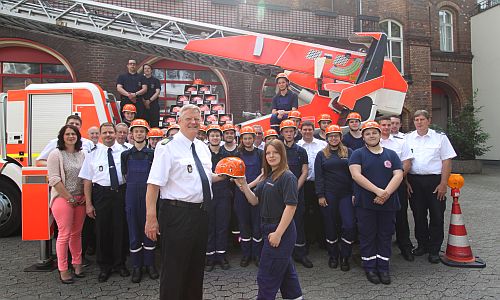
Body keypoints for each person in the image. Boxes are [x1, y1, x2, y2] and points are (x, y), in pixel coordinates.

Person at [144, 104, 226, 300]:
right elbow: (153, 185)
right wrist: (151, 219)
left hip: (201, 214)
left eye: (197, 118)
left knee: (196, 267)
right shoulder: (167, 147)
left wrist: (225, 175)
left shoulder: (202, 147)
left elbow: (205, 177)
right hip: (177, 215)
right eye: (188, 118)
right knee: (174, 269)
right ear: (178, 121)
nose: (193, 122)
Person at [235, 139, 303, 300]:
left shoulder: (288, 177)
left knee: (267, 276)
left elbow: (291, 207)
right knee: (286, 273)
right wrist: (244, 185)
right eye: (268, 153)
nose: (271, 156)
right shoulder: (267, 176)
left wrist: (278, 233)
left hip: (281, 230)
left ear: (282, 154)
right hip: (266, 227)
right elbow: (254, 201)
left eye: (275, 152)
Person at [349, 121, 403, 285]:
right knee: (367, 235)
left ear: (380, 134)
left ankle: (383, 267)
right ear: (363, 137)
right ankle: (370, 267)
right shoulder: (357, 154)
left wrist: (385, 193)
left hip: (388, 203)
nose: (371, 136)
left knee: (385, 235)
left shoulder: (391, 154)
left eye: (374, 132)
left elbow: (398, 174)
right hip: (366, 203)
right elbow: (356, 175)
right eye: (367, 133)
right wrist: (378, 191)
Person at [79, 122, 130, 283]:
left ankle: (120, 264)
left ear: (116, 134)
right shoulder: (92, 154)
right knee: (102, 231)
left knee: (120, 230)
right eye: (105, 133)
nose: (108, 135)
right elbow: (87, 180)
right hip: (101, 194)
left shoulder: (125, 152)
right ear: (100, 135)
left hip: (120, 193)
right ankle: (104, 267)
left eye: (111, 132)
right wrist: (88, 204)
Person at [405, 110, 456, 264]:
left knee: (437, 216)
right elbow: (405, 161)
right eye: (416, 119)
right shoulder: (407, 138)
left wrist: (443, 183)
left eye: (422, 119)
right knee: (418, 215)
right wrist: (406, 182)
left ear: (429, 120)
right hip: (414, 181)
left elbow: (447, 161)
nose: (419, 122)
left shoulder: (440, 138)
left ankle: (434, 250)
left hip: (435, 181)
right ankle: (422, 245)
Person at [47, 125, 87, 284]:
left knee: (77, 234)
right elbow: (54, 179)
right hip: (63, 199)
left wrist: (84, 195)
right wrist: (69, 197)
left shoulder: (82, 154)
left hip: (80, 199)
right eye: (67, 134)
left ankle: (77, 264)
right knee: (64, 234)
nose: (71, 136)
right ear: (62, 137)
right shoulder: (56, 154)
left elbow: (86, 177)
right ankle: (63, 269)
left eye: (74, 134)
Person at [120, 119, 158, 283]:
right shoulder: (125, 155)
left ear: (146, 134)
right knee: (134, 231)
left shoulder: (153, 154)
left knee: (149, 230)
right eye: (136, 131)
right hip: (131, 196)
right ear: (132, 134)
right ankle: (136, 266)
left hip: (148, 196)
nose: (139, 134)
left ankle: (149, 265)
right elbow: (125, 174)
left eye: (142, 131)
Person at [314, 124, 355, 271]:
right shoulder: (322, 155)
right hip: (329, 195)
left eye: (336, 136)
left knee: (349, 225)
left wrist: (355, 193)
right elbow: (319, 177)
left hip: (346, 194)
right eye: (331, 136)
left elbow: (355, 175)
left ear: (340, 137)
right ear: (326, 137)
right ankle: (333, 255)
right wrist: (320, 195)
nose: (333, 138)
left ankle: (345, 255)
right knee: (330, 225)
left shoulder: (349, 152)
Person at [378, 116, 415, 262]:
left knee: (401, 217)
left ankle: (405, 246)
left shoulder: (401, 142)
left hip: (397, 185)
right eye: (384, 125)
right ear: (378, 126)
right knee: (379, 217)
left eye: (390, 124)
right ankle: (380, 248)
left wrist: (397, 179)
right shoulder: (372, 141)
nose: (387, 127)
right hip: (377, 187)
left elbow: (406, 163)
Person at [279, 119, 311, 268]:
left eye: (291, 131)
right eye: (286, 131)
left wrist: (294, 188)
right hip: (281, 193)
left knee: (299, 223)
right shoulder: (278, 150)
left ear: (295, 132)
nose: (289, 133)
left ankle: (301, 254)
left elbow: (305, 171)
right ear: (282, 133)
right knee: (282, 223)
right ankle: (285, 255)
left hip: (297, 192)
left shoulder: (301, 151)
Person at [234, 126, 264, 267]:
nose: (247, 140)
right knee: (244, 225)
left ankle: (257, 255)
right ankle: (246, 255)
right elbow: (233, 173)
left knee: (257, 224)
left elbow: (263, 174)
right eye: (245, 138)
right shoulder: (237, 153)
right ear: (241, 139)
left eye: (250, 138)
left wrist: (248, 186)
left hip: (256, 192)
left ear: (254, 138)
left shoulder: (260, 153)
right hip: (240, 194)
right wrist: (242, 187)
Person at [205, 124, 232, 271]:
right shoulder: (203, 154)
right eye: (212, 135)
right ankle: (210, 257)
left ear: (220, 138)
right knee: (209, 226)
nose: (215, 138)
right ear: (208, 138)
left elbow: (230, 174)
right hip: (208, 195)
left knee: (222, 226)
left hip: (223, 195)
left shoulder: (227, 156)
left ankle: (221, 256)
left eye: (217, 135)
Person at [297, 121, 327, 251]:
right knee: (304, 213)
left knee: (320, 212)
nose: (307, 132)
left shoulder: (323, 145)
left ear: (313, 130)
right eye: (305, 129)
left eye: (310, 129)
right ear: (300, 131)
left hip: (319, 183)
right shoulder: (297, 146)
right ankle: (307, 239)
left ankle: (322, 239)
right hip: (303, 184)